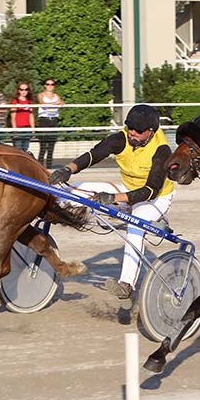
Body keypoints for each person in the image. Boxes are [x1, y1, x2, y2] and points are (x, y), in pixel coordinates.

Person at [48, 104, 176, 300]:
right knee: (76, 190)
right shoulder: (122, 138)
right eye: (130, 127)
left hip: (155, 199)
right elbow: (95, 154)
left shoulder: (162, 150)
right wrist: (68, 169)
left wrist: (113, 199)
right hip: (128, 192)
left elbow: (150, 190)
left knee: (136, 224)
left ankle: (126, 285)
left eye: (138, 130)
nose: (132, 133)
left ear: (151, 131)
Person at [37, 78, 64, 168]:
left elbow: (62, 103)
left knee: (51, 144)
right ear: (45, 85)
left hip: (54, 120)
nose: (50, 86)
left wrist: (58, 103)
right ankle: (40, 165)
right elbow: (42, 103)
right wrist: (55, 103)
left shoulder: (56, 96)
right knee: (43, 145)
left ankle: (49, 165)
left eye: (52, 84)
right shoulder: (41, 95)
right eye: (48, 84)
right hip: (44, 120)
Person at [10, 82, 35, 151]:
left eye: (26, 89)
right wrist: (15, 130)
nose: (24, 91)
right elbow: (13, 117)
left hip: (27, 129)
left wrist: (33, 129)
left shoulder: (29, 102)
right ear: (18, 90)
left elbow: (31, 116)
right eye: (22, 89)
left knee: (25, 150)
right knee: (17, 150)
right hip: (18, 129)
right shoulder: (15, 101)